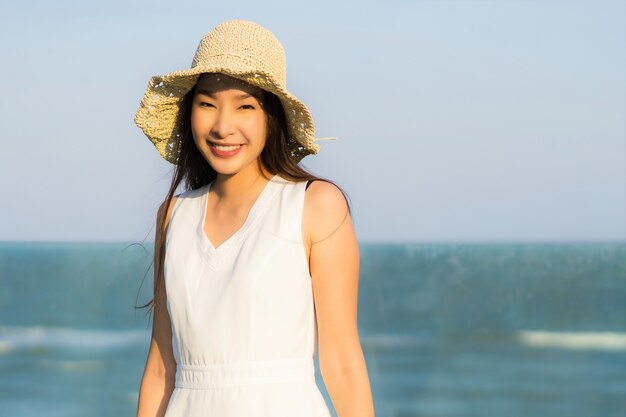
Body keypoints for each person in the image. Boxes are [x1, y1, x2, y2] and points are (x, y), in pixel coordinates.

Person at [133, 19, 375, 417]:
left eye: (245, 106)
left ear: (271, 116)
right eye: (207, 103)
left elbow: (343, 362)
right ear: (189, 110)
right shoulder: (174, 215)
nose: (223, 126)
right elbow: (161, 369)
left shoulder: (316, 204)